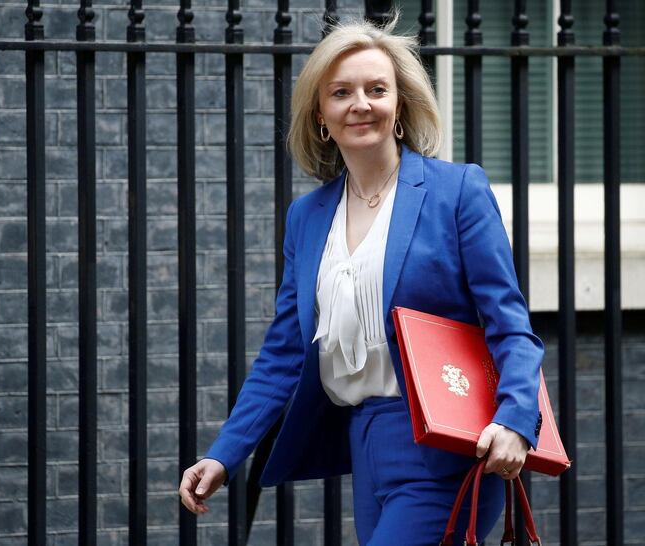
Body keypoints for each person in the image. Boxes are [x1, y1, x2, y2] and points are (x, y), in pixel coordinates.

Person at [179, 15, 543, 545]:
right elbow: (284, 352)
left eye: (377, 89)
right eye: (342, 92)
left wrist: (515, 419)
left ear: (399, 106)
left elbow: (509, 321)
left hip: (447, 448)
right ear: (322, 115)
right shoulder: (308, 218)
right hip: (365, 445)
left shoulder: (456, 191)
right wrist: (224, 454)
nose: (361, 103)